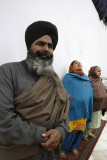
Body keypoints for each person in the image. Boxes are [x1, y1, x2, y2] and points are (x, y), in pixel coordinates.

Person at [0, 21, 70, 160]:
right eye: (40, 43)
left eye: (50, 46)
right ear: (29, 46)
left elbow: (63, 110)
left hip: (48, 152)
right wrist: (45, 136)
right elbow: (4, 119)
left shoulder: (53, 78)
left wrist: (60, 131)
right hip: (17, 153)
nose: (46, 48)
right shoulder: (8, 72)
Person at [60, 60, 93, 158]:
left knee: (80, 130)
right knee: (69, 131)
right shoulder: (68, 78)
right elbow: (62, 94)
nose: (79, 64)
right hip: (72, 111)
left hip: (84, 110)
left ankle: (74, 146)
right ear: (71, 67)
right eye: (76, 63)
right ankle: (63, 148)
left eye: (80, 63)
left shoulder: (86, 79)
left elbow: (89, 94)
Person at [83, 66, 107, 140]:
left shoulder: (98, 80)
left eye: (100, 71)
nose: (100, 73)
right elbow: (86, 93)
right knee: (89, 122)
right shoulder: (88, 81)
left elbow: (102, 90)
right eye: (98, 71)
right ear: (93, 71)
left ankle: (89, 132)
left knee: (94, 122)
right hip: (92, 106)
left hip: (98, 106)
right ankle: (84, 135)